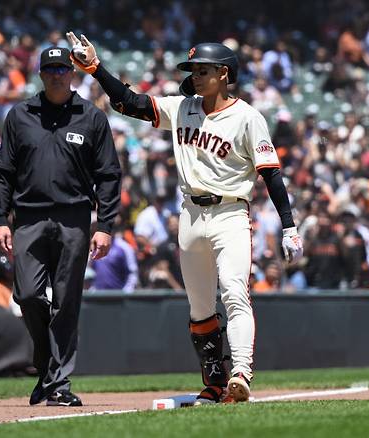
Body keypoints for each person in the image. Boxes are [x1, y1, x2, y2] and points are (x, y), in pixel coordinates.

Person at [66, 34, 303, 404]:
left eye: (202, 70)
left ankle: (240, 372)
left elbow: (271, 173)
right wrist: (96, 69)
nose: (194, 75)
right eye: (191, 70)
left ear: (224, 73)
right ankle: (214, 383)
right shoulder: (182, 108)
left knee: (235, 293)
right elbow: (129, 102)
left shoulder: (247, 117)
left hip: (230, 213)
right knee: (199, 308)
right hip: (190, 215)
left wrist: (288, 225)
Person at [0, 46, 121, 407]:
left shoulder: (91, 117)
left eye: (62, 69)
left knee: (66, 302)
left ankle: (59, 384)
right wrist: (0, 219)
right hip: (28, 218)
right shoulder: (20, 116)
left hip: (74, 220)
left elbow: (108, 176)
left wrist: (105, 225)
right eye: (49, 69)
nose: (56, 75)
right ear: (40, 74)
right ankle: (46, 364)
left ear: (72, 73)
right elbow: (3, 171)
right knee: (28, 295)